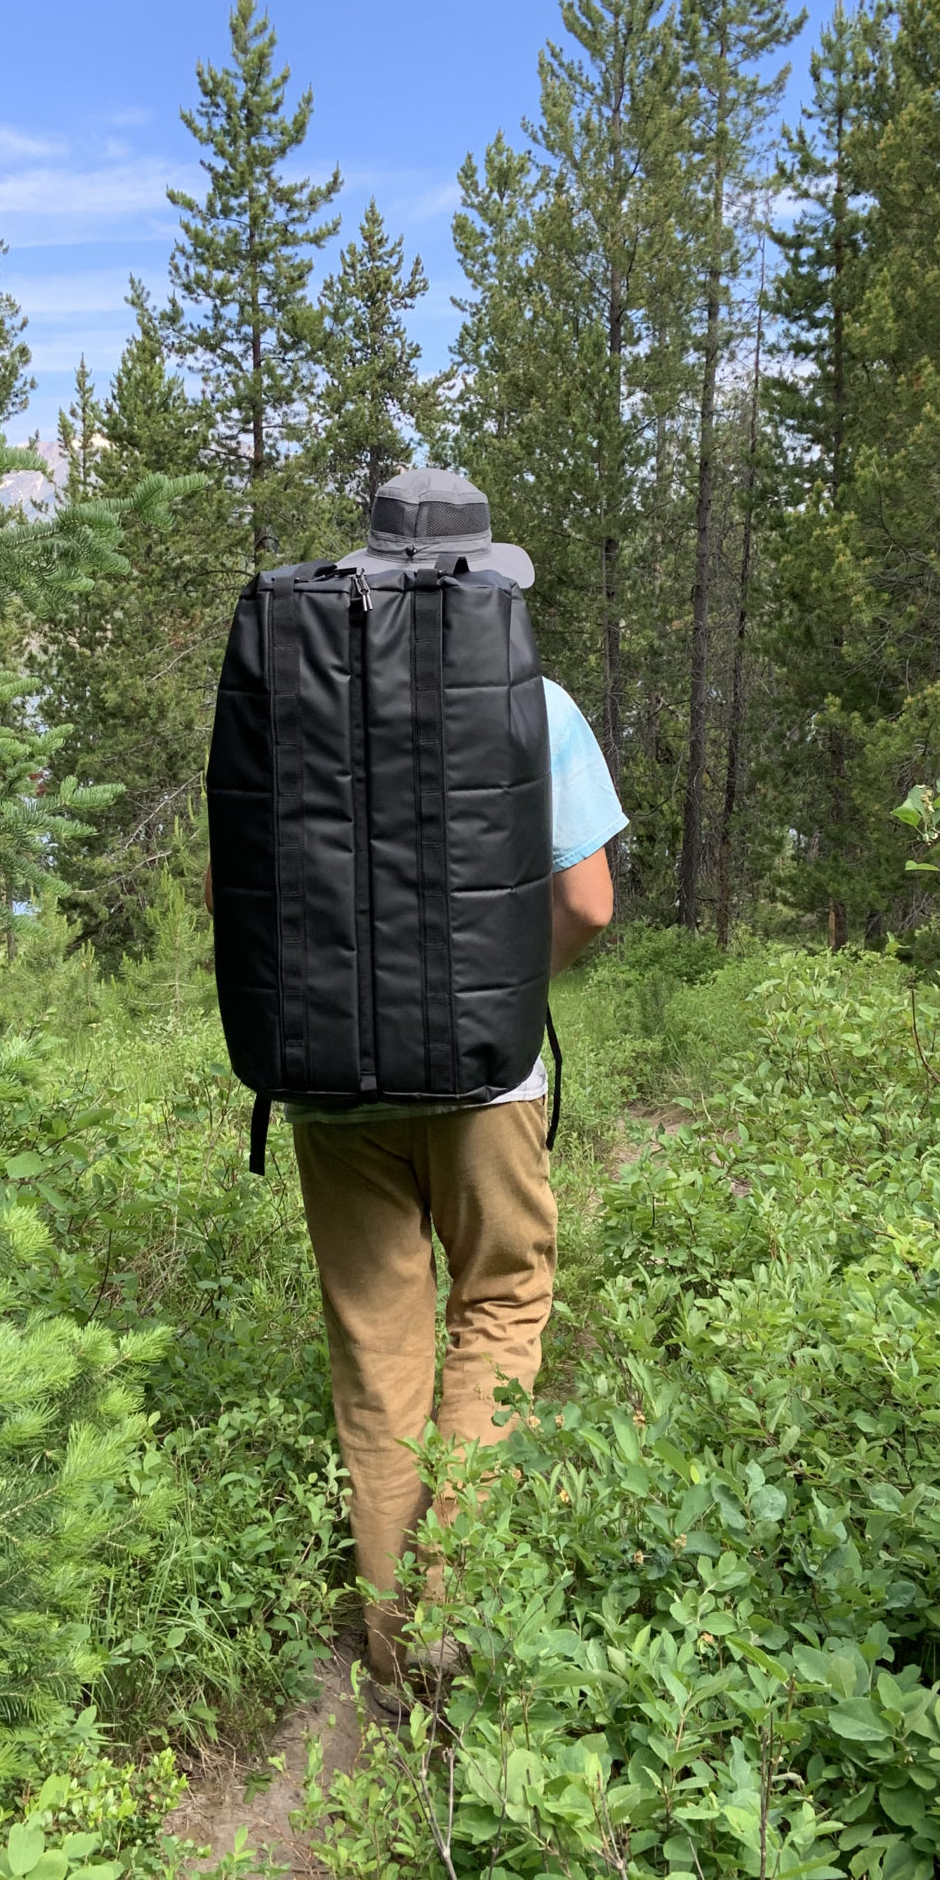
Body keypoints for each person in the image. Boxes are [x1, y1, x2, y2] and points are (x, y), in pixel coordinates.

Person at [205, 468, 625, 1697]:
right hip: (491, 1088)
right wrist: (500, 984)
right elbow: (589, 901)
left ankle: (393, 1660)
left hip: (333, 1087)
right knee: (497, 1312)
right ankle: (458, 1610)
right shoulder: (530, 698)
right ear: (482, 569)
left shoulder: (297, 699)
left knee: (378, 1357)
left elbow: (245, 893)